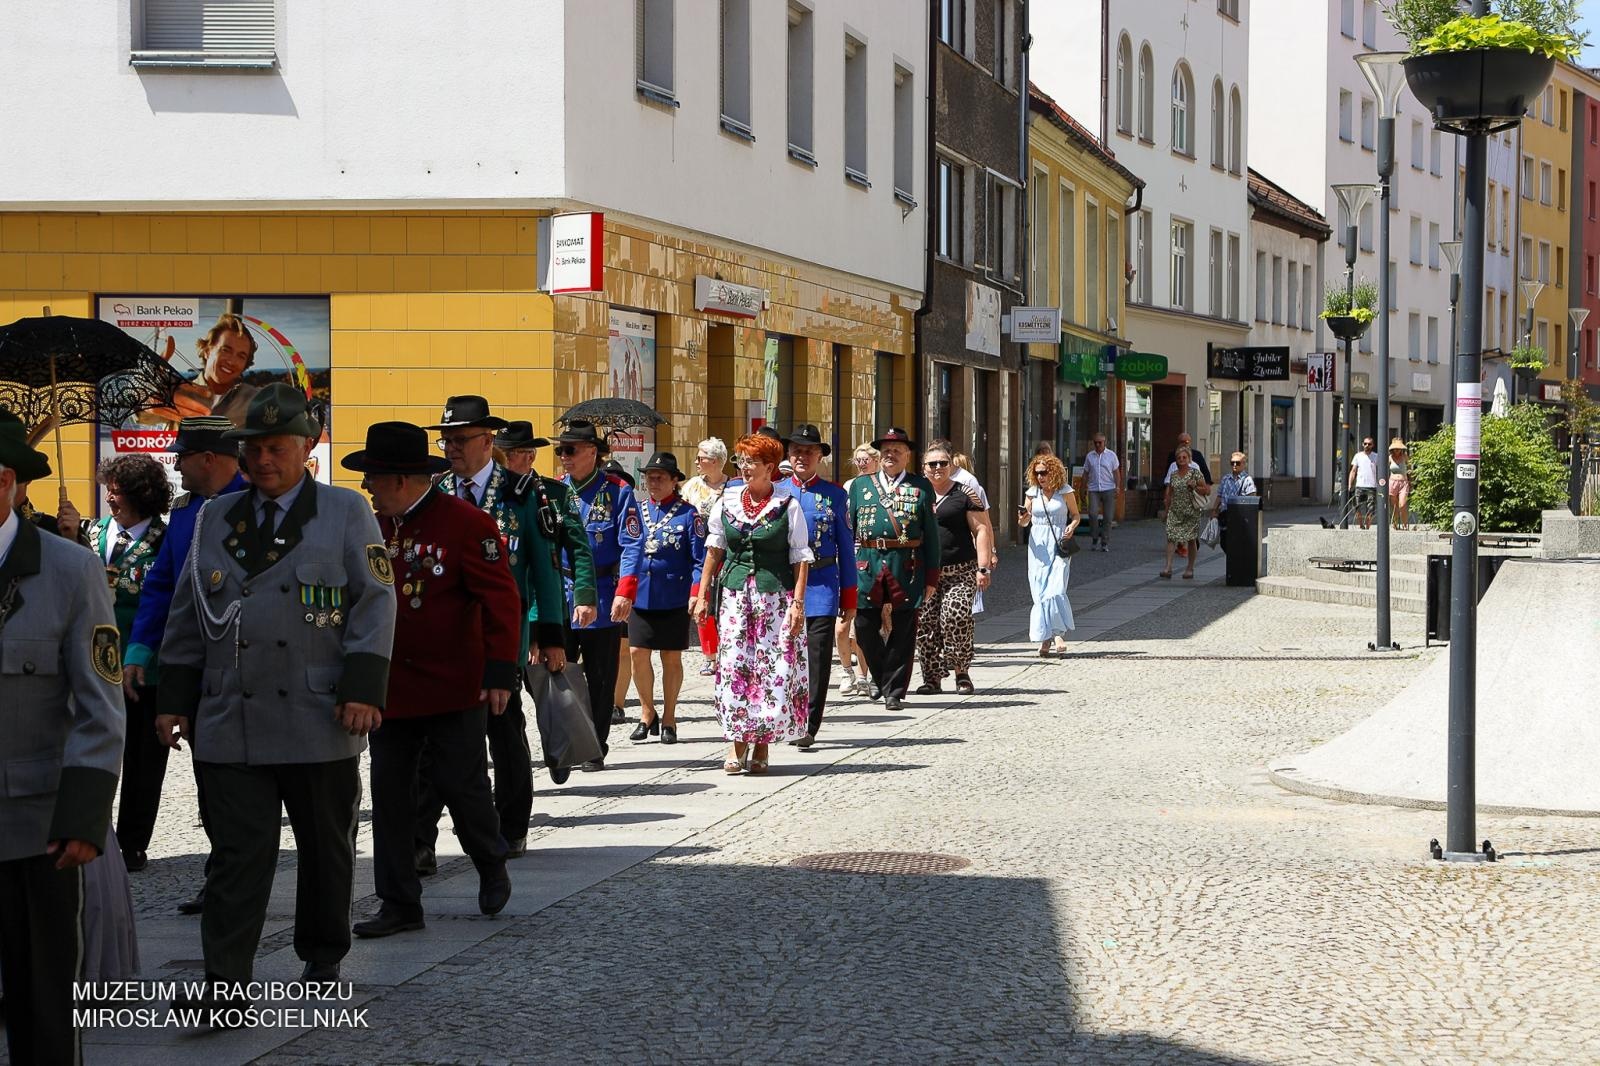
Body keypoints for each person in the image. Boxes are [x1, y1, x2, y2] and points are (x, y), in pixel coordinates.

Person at [157, 383, 396, 1003]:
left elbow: (374, 603)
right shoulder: (215, 516)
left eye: (276, 447)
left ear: (307, 445)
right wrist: (175, 698)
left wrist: (364, 689)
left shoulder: (345, 511)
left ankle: (321, 956)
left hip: (319, 712)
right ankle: (225, 981)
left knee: (325, 849)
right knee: (236, 855)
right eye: (253, 448)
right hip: (230, 715)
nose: (263, 460)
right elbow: (188, 613)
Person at [345, 423, 520, 938]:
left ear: (402, 479)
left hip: (453, 685)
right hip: (390, 689)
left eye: (373, 478)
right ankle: (399, 901)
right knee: (392, 796)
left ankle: (490, 861)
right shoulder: (372, 527)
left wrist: (497, 675)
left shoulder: (466, 524)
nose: (368, 488)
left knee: (461, 785)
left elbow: (501, 603)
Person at [0, 412, 126, 1064]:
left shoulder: (70, 570)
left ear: (8, 484)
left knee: (43, 999)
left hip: (36, 825)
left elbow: (99, 707)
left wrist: (81, 816)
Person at [417, 397, 579, 866]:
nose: (451, 448)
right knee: (432, 739)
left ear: (488, 441)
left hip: (499, 635)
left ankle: (511, 827)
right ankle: (421, 838)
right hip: (444, 637)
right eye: (446, 439)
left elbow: (545, 569)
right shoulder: (437, 492)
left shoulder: (522, 493)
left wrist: (551, 638)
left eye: (461, 439)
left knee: (503, 731)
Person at [123, 416, 248, 915]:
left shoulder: (255, 503)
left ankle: (241, 872)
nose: (176, 464)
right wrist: (139, 650)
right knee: (209, 774)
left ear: (209, 459)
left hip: (246, 667)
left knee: (241, 778)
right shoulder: (184, 513)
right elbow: (162, 585)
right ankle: (221, 874)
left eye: (183, 456)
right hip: (194, 669)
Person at [68, 454, 170, 874]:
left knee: (145, 760)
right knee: (93, 748)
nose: (110, 495)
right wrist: (69, 533)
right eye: (108, 486)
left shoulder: (166, 539)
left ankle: (132, 842)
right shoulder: (89, 532)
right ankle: (91, 830)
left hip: (146, 665)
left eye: (119, 488)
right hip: (92, 662)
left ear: (141, 495)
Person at [692, 434, 812, 774]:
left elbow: (800, 557)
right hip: (734, 598)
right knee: (734, 667)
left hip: (774, 598)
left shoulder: (788, 505)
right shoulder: (727, 501)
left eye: (751, 462)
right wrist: (702, 595)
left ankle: (761, 745)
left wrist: (798, 604)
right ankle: (736, 743)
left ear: (769, 468)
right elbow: (714, 550)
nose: (744, 468)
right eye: (741, 461)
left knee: (770, 668)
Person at [557, 420, 644, 770]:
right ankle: (563, 744)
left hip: (604, 594)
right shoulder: (555, 491)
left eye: (571, 450)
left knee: (600, 675)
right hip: (561, 592)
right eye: (560, 450)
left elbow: (632, 543)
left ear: (592, 452)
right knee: (557, 673)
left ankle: (594, 745)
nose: (564, 457)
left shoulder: (617, 491)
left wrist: (625, 591)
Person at [847, 428, 941, 711]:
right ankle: (882, 675)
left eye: (897, 450)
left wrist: (932, 576)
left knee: (904, 627)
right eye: (886, 450)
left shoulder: (921, 486)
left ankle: (894, 692)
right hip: (867, 562)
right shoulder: (861, 486)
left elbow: (932, 535)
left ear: (907, 456)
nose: (891, 454)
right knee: (864, 625)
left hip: (907, 563)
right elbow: (850, 529)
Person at [624, 452, 702, 745]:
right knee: (637, 654)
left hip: (673, 596)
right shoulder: (638, 511)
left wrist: (696, 593)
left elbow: (698, 559)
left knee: (671, 657)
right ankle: (647, 712)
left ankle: (669, 717)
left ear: (674, 481)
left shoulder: (688, 514)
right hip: (641, 595)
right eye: (649, 477)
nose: (653, 482)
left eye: (659, 477)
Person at [786, 423, 856, 748]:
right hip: (786, 587)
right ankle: (787, 715)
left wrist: (849, 596)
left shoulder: (835, 495)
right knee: (786, 656)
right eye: (797, 451)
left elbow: (846, 547)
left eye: (809, 452)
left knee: (816, 656)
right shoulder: (777, 492)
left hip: (822, 585)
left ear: (819, 457)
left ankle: (809, 723)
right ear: (789, 455)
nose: (803, 457)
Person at [915, 441, 993, 694]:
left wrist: (984, 567)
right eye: (932, 464)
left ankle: (961, 672)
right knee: (925, 623)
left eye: (943, 463)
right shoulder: (915, 493)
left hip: (960, 570)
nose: (937, 468)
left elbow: (981, 529)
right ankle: (931, 677)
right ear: (923, 467)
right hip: (925, 572)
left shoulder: (965, 494)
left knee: (955, 616)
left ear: (951, 465)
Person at [1019, 453, 1079, 656]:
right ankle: (1046, 638)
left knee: (1056, 588)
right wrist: (1023, 518)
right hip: (1037, 546)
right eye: (1037, 474)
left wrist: (1071, 526)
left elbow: (1076, 515)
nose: (1040, 477)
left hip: (1059, 542)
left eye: (1044, 472)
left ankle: (1057, 634)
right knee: (1040, 591)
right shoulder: (1032, 493)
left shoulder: (1065, 491)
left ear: (1053, 471)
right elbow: (1023, 523)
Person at [683, 437, 729, 674]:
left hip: (727, 553)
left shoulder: (732, 486)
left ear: (715, 461)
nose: (697, 462)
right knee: (701, 600)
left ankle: (727, 650)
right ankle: (709, 655)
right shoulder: (692, 486)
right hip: (699, 552)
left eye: (701, 458)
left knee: (724, 604)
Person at [836, 443, 879, 697]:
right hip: (847, 557)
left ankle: (864, 674)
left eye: (866, 459)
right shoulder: (849, 487)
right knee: (842, 624)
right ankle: (846, 671)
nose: (862, 463)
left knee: (863, 621)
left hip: (870, 556)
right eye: (858, 460)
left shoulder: (881, 486)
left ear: (875, 461)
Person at [604, 458, 639, 725]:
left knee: (623, 648)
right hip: (597, 584)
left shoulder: (629, 507)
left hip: (623, 585)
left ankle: (617, 703)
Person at [1162, 446, 1211, 580]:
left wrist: (1195, 485)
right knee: (1171, 536)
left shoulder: (1195, 473)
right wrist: (1166, 511)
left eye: (1184, 457)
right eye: (1179, 458)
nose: (1181, 460)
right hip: (1175, 510)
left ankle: (1190, 568)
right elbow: (1170, 494)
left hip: (1191, 511)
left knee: (1190, 539)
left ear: (1189, 459)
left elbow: (1207, 490)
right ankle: (1168, 567)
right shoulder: (1173, 475)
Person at [1082, 434, 1122, 552]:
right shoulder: (1090, 456)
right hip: (1094, 489)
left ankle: (1104, 542)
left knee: (1108, 517)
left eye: (1100, 442)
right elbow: (1085, 473)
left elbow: (1116, 473)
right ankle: (1094, 538)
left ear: (1105, 442)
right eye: (1096, 443)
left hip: (1108, 488)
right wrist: (1082, 488)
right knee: (1093, 514)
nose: (1098, 445)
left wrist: (1118, 487)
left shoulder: (1111, 455)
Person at [1216, 451, 1258, 550]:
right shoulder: (1226, 478)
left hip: (1239, 518)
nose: (1235, 465)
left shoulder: (1247, 480)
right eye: (1232, 463)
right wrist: (1214, 510)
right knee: (1224, 542)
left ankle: (1236, 563)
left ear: (1244, 464)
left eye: (1238, 463)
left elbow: (1252, 498)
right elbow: (1219, 495)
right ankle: (1233, 561)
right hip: (1225, 516)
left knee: (1236, 544)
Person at [1348, 436, 1379, 530]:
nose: (1367, 445)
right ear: (1362, 444)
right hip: (1359, 486)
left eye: (1369, 444)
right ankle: (1361, 525)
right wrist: (1350, 484)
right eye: (1365, 443)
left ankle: (1368, 527)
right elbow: (1353, 471)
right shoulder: (1358, 456)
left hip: (1371, 486)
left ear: (1372, 445)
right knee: (1356, 507)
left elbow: (1381, 471)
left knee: (1370, 509)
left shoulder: (1376, 456)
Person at [1388, 439, 1410, 529]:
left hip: (1403, 482)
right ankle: (1395, 524)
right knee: (1394, 506)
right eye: (1395, 449)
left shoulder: (1405, 457)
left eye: (1399, 449)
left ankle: (1405, 524)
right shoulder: (1389, 457)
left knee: (1402, 504)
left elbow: (1410, 469)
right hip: (1392, 482)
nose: (1397, 450)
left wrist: (1411, 480)